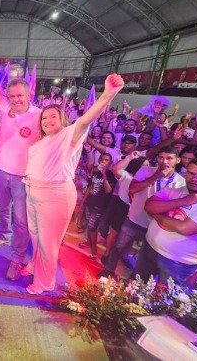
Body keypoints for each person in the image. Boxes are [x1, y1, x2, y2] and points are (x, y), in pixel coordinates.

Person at [21, 73, 124, 294]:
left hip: (54, 196)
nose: (47, 121)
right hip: (32, 192)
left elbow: (85, 119)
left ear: (63, 120)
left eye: (53, 117)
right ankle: (36, 266)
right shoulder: (42, 141)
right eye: (44, 118)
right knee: (36, 236)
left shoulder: (69, 136)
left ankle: (44, 282)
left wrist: (108, 94)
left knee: (48, 243)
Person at [0, 28, 43, 281]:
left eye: (20, 95)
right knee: (3, 209)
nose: (16, 100)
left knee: (21, 220)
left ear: (29, 95)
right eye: (12, 96)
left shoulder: (39, 116)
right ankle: (4, 236)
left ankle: (17, 258)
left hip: (22, 177)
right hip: (1, 172)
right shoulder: (4, 107)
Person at [137, 157, 197, 285]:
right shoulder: (177, 188)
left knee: (161, 296)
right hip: (150, 247)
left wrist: (157, 215)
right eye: (191, 173)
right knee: (133, 287)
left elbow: (184, 228)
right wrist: (184, 201)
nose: (194, 179)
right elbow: (149, 206)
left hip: (177, 262)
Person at [98, 146, 186, 278]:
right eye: (161, 157)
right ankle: (108, 271)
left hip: (156, 225)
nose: (164, 161)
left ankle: (132, 282)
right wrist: (155, 177)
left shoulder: (181, 182)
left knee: (145, 257)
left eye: (169, 158)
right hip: (134, 218)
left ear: (178, 160)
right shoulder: (146, 170)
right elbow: (132, 189)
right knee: (119, 247)